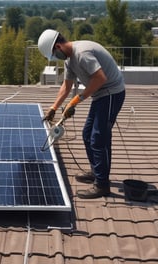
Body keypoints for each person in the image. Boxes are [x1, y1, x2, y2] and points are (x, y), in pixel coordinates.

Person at [38, 29, 125, 199]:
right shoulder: (69, 60)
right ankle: (96, 171)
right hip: (101, 95)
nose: (56, 58)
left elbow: (100, 78)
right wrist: (54, 108)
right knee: (87, 134)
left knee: (99, 138)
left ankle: (102, 185)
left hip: (111, 93)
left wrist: (76, 101)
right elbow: (66, 86)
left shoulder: (82, 53)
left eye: (55, 55)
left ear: (58, 46)